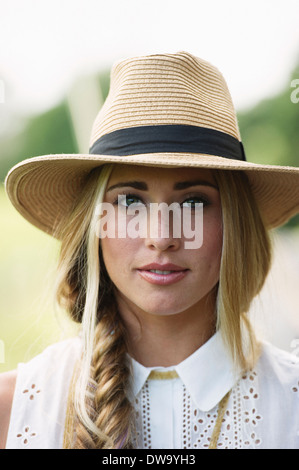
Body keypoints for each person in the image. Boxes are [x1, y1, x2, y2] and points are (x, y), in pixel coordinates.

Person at [1, 51, 299, 450]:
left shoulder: (290, 405)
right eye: (129, 202)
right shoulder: (13, 411)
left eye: (193, 202)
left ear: (236, 225)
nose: (161, 236)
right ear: (95, 226)